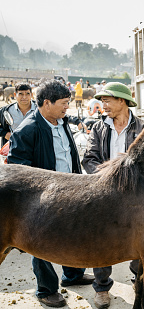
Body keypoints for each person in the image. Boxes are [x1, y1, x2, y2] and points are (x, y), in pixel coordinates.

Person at [7, 80, 94, 308]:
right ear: (47, 103)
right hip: (43, 199)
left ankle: (73, 275)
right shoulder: (28, 129)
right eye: (64, 104)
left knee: (73, 234)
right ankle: (46, 290)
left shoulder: (62, 122)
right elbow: (17, 167)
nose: (68, 108)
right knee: (42, 244)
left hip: (72, 191)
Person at [82, 82, 144, 309]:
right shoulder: (99, 128)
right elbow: (89, 159)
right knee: (101, 242)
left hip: (134, 197)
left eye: (107, 100)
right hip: (105, 194)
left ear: (122, 101)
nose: (103, 105)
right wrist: (107, 179)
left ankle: (138, 280)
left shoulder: (142, 129)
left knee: (139, 242)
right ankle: (101, 288)